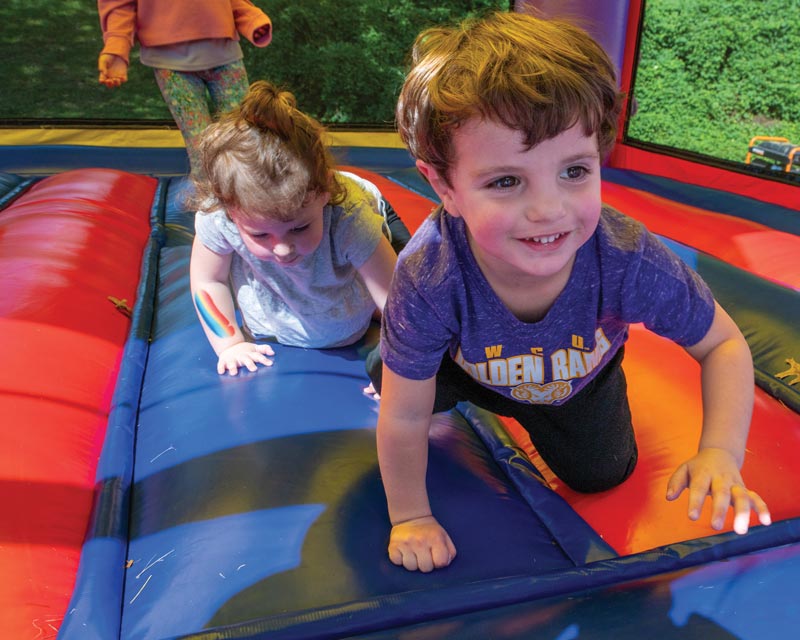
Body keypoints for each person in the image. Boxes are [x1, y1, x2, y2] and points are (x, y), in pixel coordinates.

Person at [369, 11, 772, 573]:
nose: (548, 209)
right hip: (463, 365)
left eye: (575, 172)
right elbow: (407, 421)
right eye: (506, 181)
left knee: (605, 472)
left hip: (575, 380)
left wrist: (720, 453)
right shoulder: (431, 274)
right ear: (445, 187)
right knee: (393, 386)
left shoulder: (626, 257)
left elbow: (723, 345)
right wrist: (410, 515)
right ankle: (397, 362)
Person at [190, 80, 405, 376]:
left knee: (407, 294)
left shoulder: (349, 216)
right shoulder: (220, 214)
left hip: (370, 222)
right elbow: (207, 282)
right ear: (230, 212)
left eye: (299, 228)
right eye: (260, 234)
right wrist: (230, 345)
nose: (282, 248)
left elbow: (396, 294)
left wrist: (401, 369)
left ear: (325, 193)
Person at [97, 0, 272, 178]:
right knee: (201, 146)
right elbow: (120, 5)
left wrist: (250, 18)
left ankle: (250, 195)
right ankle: (210, 201)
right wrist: (116, 46)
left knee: (244, 135)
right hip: (172, 64)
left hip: (225, 54)